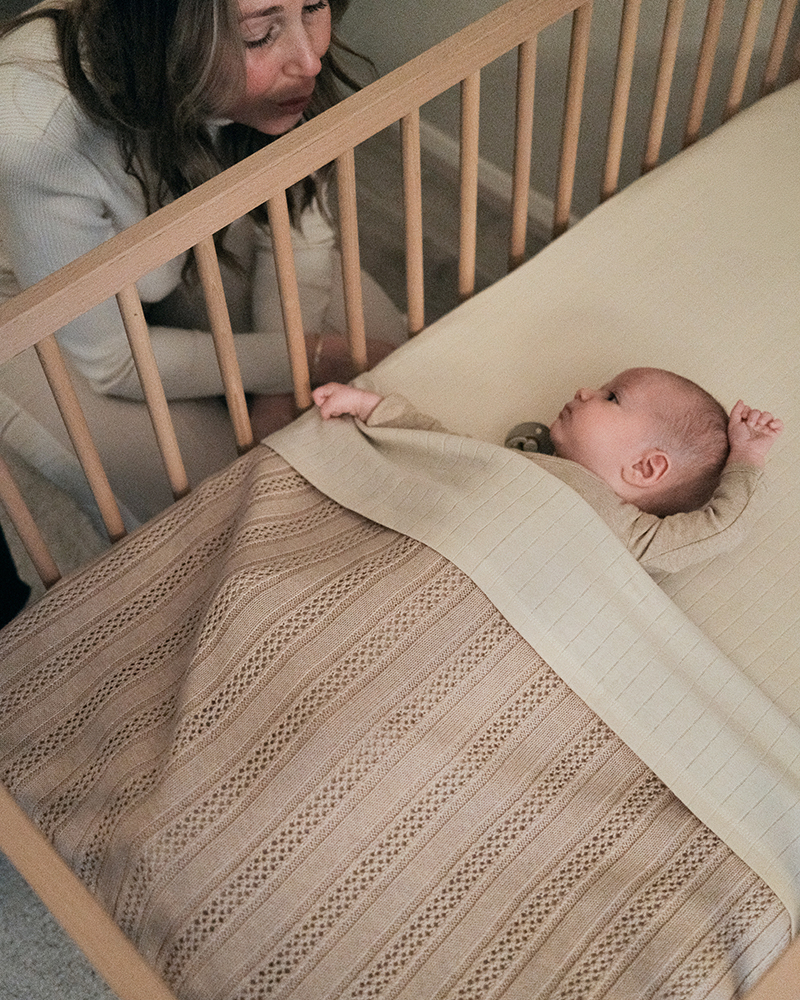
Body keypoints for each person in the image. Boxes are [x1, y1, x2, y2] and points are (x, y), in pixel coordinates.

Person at [0, 0, 406, 437]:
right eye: (258, 36)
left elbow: (292, 217)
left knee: (394, 362)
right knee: (215, 467)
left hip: (173, 250)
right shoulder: (36, 135)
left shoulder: (285, 61)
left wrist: (281, 389)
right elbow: (113, 362)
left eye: (314, 6)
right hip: (34, 318)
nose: (310, 62)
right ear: (169, 38)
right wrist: (315, 357)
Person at [311, 368, 784, 573]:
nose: (583, 391)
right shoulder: (525, 463)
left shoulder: (629, 535)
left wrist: (746, 458)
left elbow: (721, 526)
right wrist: (374, 407)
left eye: (611, 397)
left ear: (645, 467)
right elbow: (445, 448)